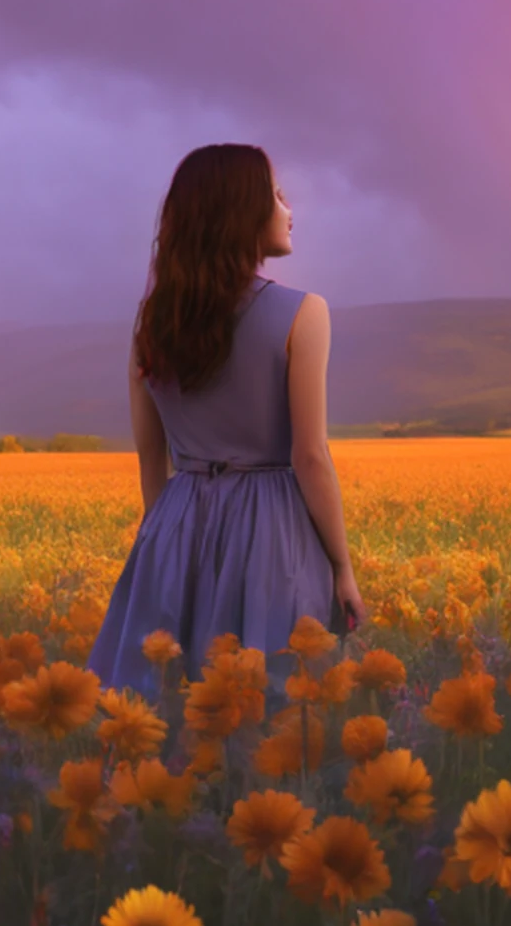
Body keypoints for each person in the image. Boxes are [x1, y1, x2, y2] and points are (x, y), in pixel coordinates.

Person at [86, 143, 361, 702]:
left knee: (164, 703)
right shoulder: (305, 313)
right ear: (243, 211)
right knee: (264, 707)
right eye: (277, 194)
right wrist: (343, 568)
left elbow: (150, 457)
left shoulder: (154, 322)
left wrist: (166, 547)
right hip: (272, 529)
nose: (289, 208)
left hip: (175, 520)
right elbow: (310, 456)